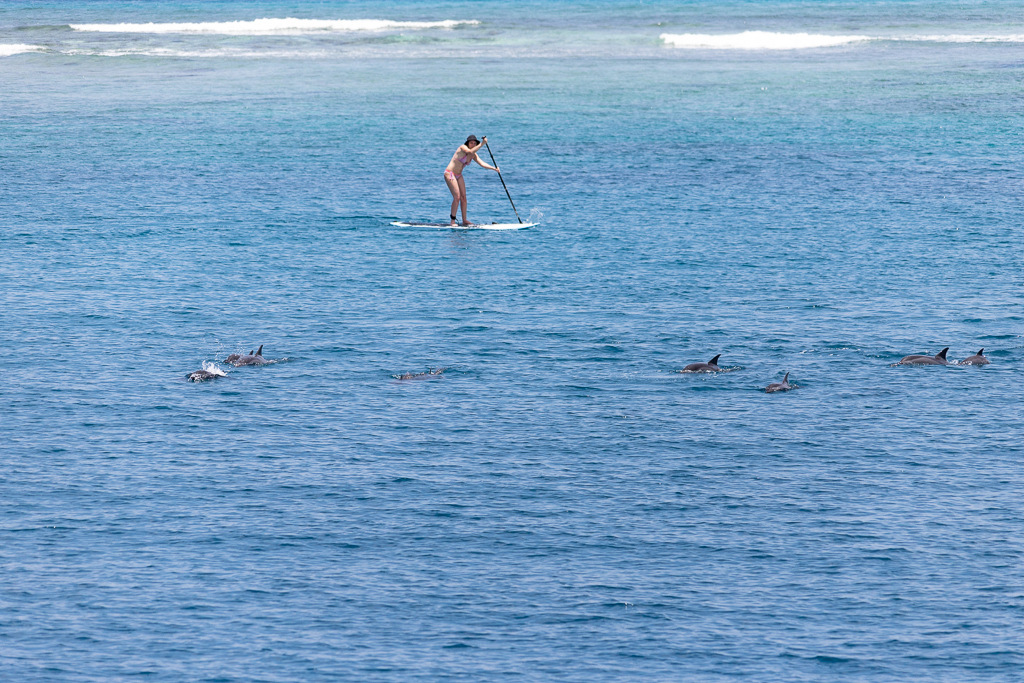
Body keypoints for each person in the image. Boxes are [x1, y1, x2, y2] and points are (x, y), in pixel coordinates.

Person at [444, 135, 500, 226]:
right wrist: (482, 144)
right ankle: (452, 221)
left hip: (458, 175)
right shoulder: (463, 148)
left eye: (475, 143)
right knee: (457, 197)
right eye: (471, 143)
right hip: (450, 173)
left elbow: (482, 164)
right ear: (468, 143)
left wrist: (494, 169)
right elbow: (469, 151)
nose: (473, 144)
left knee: (464, 198)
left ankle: (464, 220)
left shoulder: (473, 155)